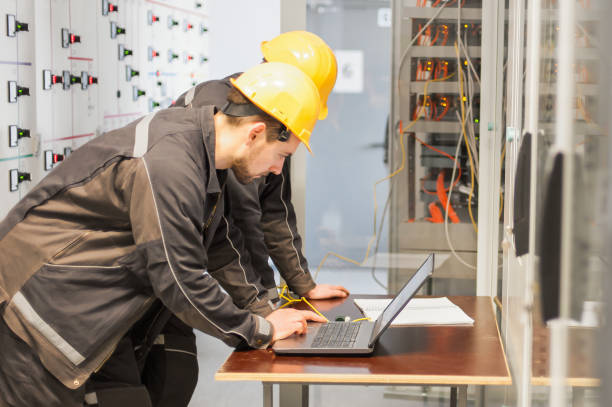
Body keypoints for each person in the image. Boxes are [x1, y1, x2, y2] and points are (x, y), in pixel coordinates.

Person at [0, 62, 327, 407]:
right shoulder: (171, 161)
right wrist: (260, 330)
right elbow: (179, 278)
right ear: (255, 133)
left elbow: (217, 244)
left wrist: (264, 310)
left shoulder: (203, 155)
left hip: (89, 309)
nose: (277, 170)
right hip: (37, 310)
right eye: (281, 156)